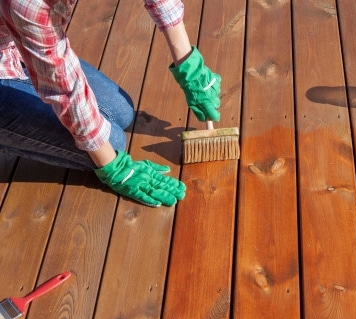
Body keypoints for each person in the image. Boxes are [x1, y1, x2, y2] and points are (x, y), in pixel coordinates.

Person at [0, 0, 221, 207]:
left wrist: (189, 66)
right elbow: (67, 91)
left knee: (121, 110)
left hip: (14, 43)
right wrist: (115, 169)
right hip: (18, 39)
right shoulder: (30, 5)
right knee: (111, 145)